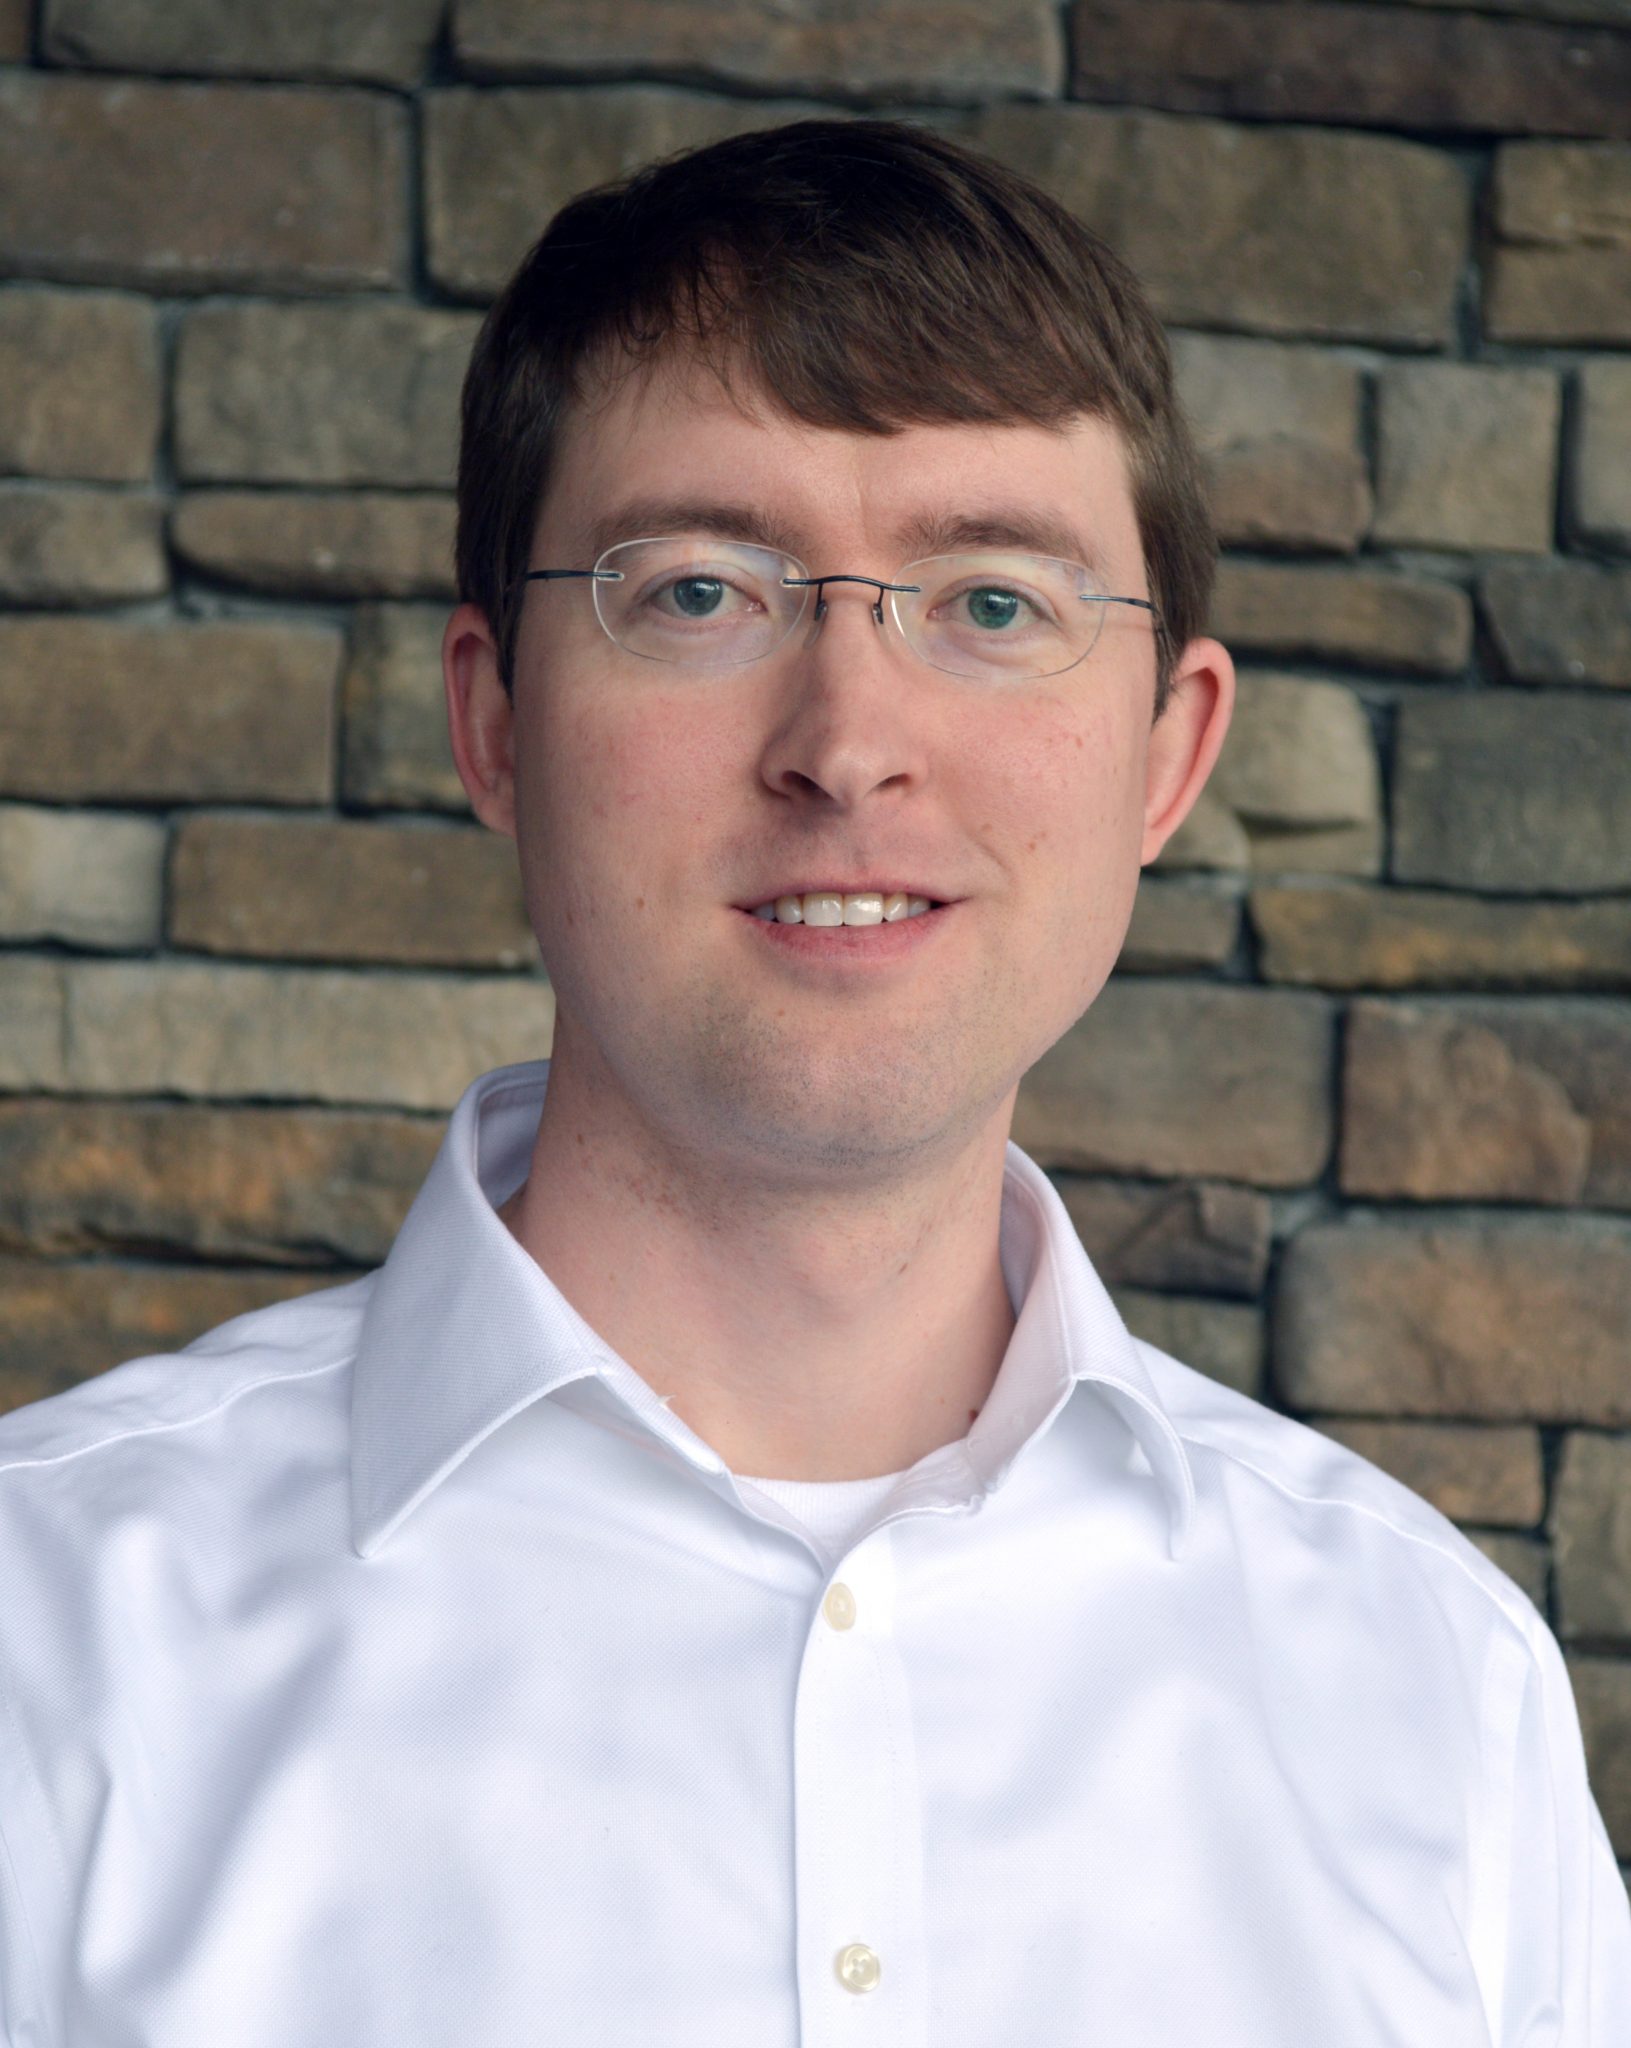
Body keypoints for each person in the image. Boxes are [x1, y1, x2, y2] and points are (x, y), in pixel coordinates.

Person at [0, 118, 1624, 2047]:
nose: (848, 743)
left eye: (994, 602)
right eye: (700, 591)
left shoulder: (1438, 1693)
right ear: (494, 721)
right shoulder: (47, 1640)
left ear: (1166, 757)